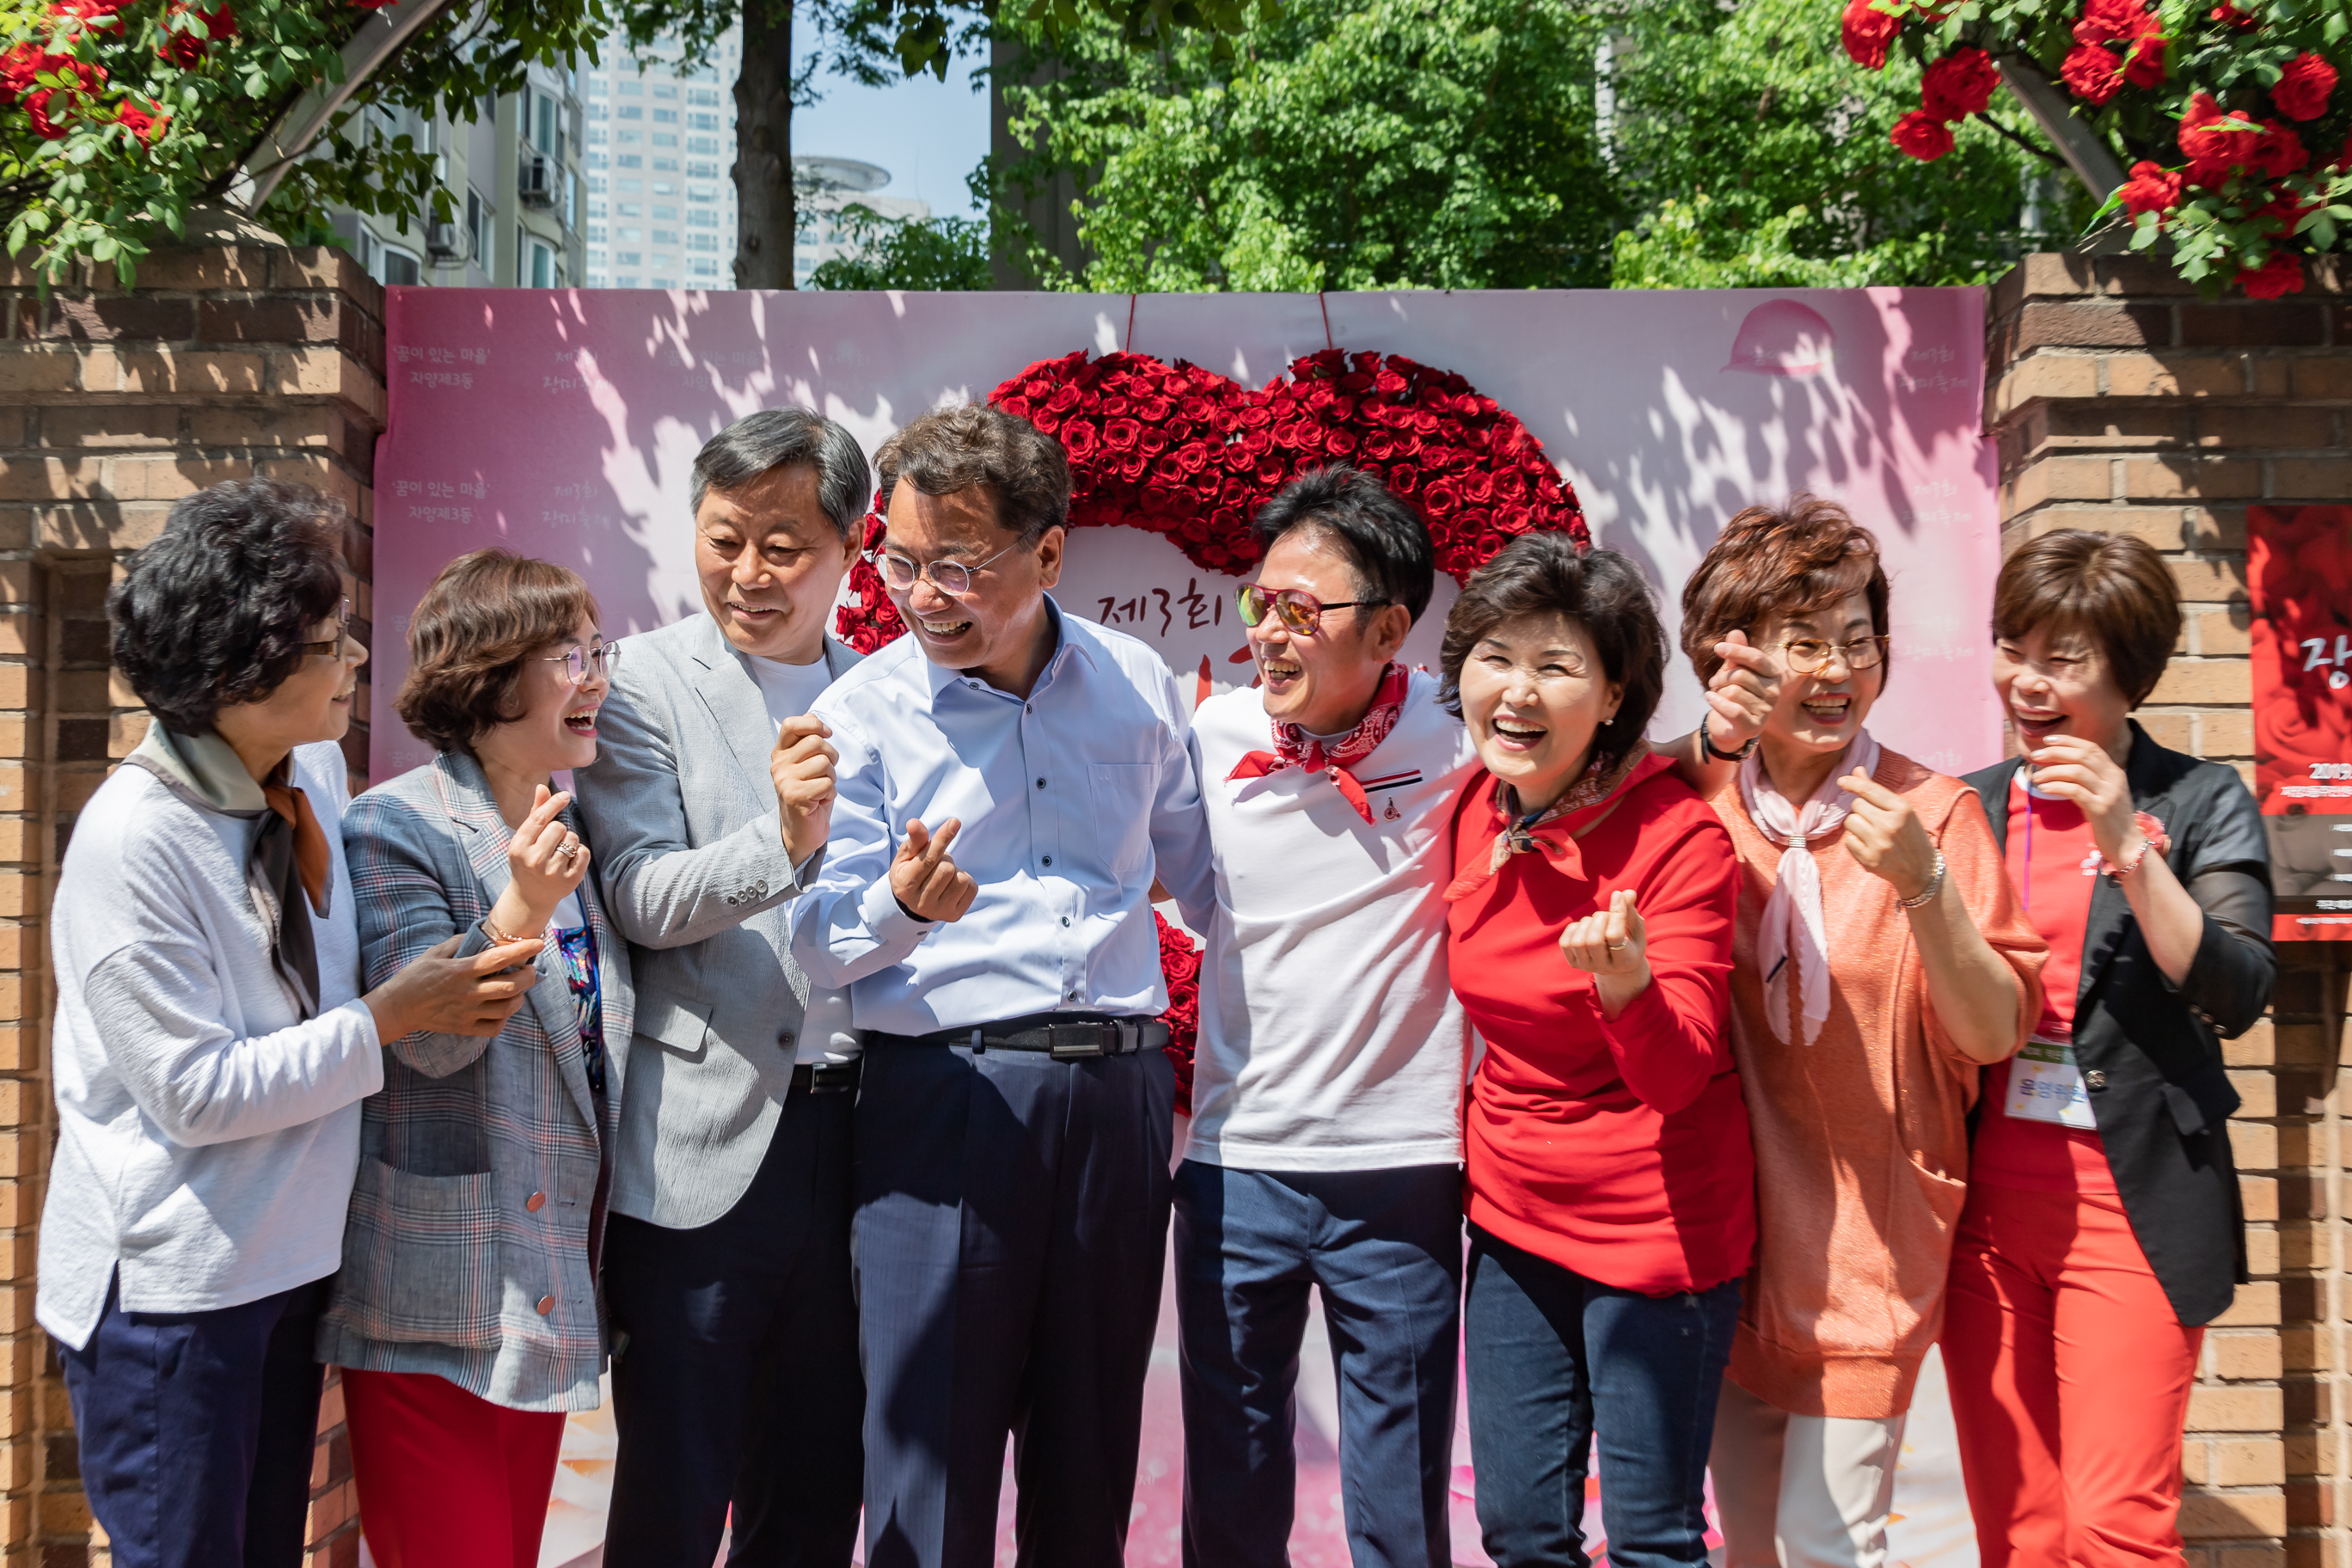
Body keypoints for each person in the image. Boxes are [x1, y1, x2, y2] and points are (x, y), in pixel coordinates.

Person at [40, 479, 539, 1568]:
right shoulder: (137, 843)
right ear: (238, 676)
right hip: (174, 1292)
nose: (355, 661)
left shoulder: (303, 770)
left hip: (286, 1264)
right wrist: (388, 1021)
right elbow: (195, 1093)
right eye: (329, 646)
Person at [788, 402, 1217, 1568]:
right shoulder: (858, 716)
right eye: (904, 562)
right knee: (929, 1460)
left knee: (1090, 1460)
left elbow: (1209, 886)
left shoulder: (1136, 683)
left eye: (961, 565)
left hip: (1121, 1107)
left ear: (1049, 554)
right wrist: (899, 910)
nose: (926, 593)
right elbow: (818, 950)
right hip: (944, 1102)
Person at [1663, 499, 2045, 1568]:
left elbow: (1992, 1031)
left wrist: (1926, 889)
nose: (1836, 669)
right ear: (1731, 657)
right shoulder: (1691, 799)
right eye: (1803, 643)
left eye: (1856, 641)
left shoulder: (1934, 815)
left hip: (1868, 1253)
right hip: (1729, 1249)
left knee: (1828, 1546)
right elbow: (1582, 803)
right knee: (1746, 1550)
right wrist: (1707, 741)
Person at [571, 407, 867, 1566]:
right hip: (701, 1147)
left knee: (816, 1482)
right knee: (675, 1487)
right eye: (724, 537)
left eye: (783, 545)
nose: (748, 572)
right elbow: (641, 895)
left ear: (849, 545)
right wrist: (783, 839)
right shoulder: (637, 682)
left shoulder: (887, 692)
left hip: (862, 1143)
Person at [1944, 529, 2275, 1567]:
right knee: (2020, 1528)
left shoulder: (2199, 798)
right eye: (2012, 646)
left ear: (2129, 675)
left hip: (2129, 1209)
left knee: (2114, 1526)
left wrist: (2128, 845)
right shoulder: (1970, 805)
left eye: (2063, 659)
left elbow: (2236, 987)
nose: (2027, 681)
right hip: (1985, 1217)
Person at [1177, 464, 1480, 1568]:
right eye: (1261, 603)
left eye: (1304, 611)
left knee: (1400, 1508)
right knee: (1233, 1490)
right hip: (1234, 1168)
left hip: (1401, 1172)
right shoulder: (1210, 736)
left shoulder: (1465, 742)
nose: (1270, 632)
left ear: (1391, 627)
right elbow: (1190, 895)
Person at [1438, 531, 1748, 1568]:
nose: (1518, 692)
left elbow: (1680, 1072)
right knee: (1521, 1532)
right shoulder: (1474, 808)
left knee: (1654, 1541)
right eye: (1497, 656)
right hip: (1516, 1218)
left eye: (1557, 666)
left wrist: (1627, 988)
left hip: (1656, 1238)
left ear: (1613, 698)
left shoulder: (1679, 843)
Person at [322, 550, 633, 1568]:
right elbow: (429, 1043)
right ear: (492, 674)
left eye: (600, 653)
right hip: (436, 1292)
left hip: (541, 1292)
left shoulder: (570, 825)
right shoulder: (396, 824)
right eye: (569, 654)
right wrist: (521, 908)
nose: (595, 678)